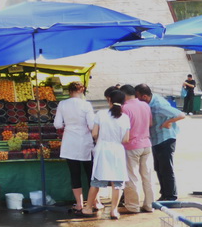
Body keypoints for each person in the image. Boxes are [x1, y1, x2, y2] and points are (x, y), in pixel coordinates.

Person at [82, 88, 130, 219]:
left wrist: (99, 140)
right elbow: (126, 139)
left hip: (102, 149)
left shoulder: (101, 114)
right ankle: (114, 210)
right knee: (117, 183)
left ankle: (87, 208)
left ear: (109, 99)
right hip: (118, 150)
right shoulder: (125, 118)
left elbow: (94, 133)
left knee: (96, 181)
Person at [135, 83, 186, 202]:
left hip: (166, 139)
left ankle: (171, 196)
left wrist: (167, 122)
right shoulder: (151, 101)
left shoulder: (158, 105)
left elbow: (181, 115)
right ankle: (164, 194)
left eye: (137, 97)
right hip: (156, 139)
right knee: (159, 168)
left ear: (144, 97)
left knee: (166, 168)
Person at [53, 81, 95, 213]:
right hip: (85, 141)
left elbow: (57, 124)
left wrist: (69, 126)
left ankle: (79, 204)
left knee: (74, 174)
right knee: (90, 173)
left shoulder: (62, 104)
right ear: (82, 91)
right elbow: (92, 125)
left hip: (69, 142)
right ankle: (94, 202)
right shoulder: (86, 104)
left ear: (69, 91)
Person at [119, 84, 154, 214]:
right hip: (146, 144)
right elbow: (150, 123)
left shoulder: (124, 108)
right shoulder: (145, 105)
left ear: (123, 95)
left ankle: (132, 206)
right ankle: (150, 204)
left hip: (131, 146)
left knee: (132, 176)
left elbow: (122, 129)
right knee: (147, 176)